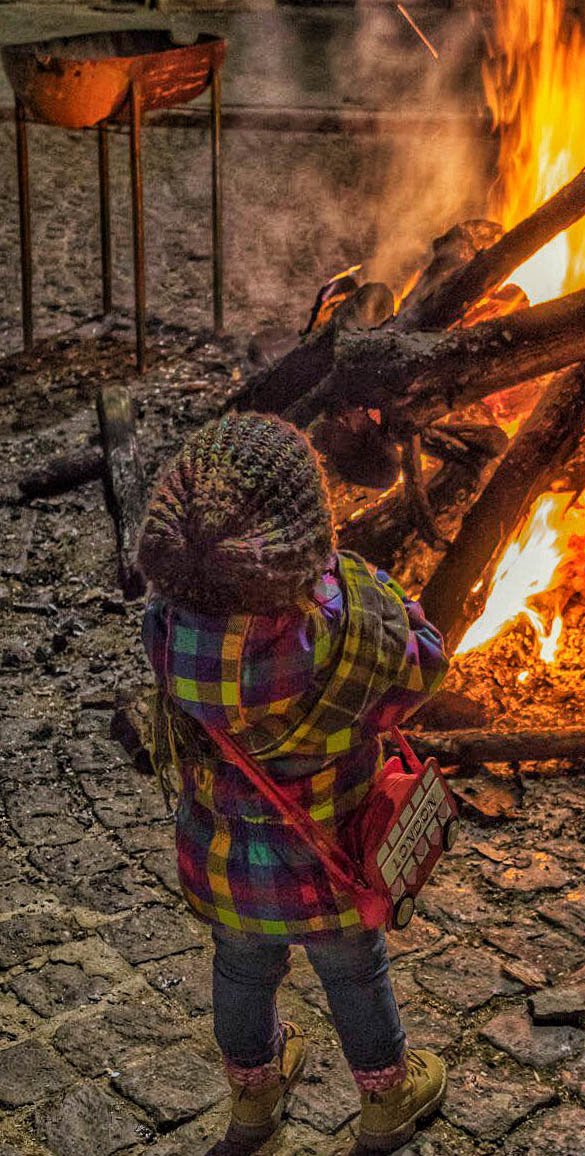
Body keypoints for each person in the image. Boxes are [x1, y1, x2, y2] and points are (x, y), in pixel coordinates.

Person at [137, 412, 451, 1154]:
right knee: (356, 974)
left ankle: (253, 1102)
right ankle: (385, 1100)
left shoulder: (167, 626)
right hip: (333, 861)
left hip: (227, 861)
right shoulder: (345, 623)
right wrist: (361, 581)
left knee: (241, 971)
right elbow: (423, 670)